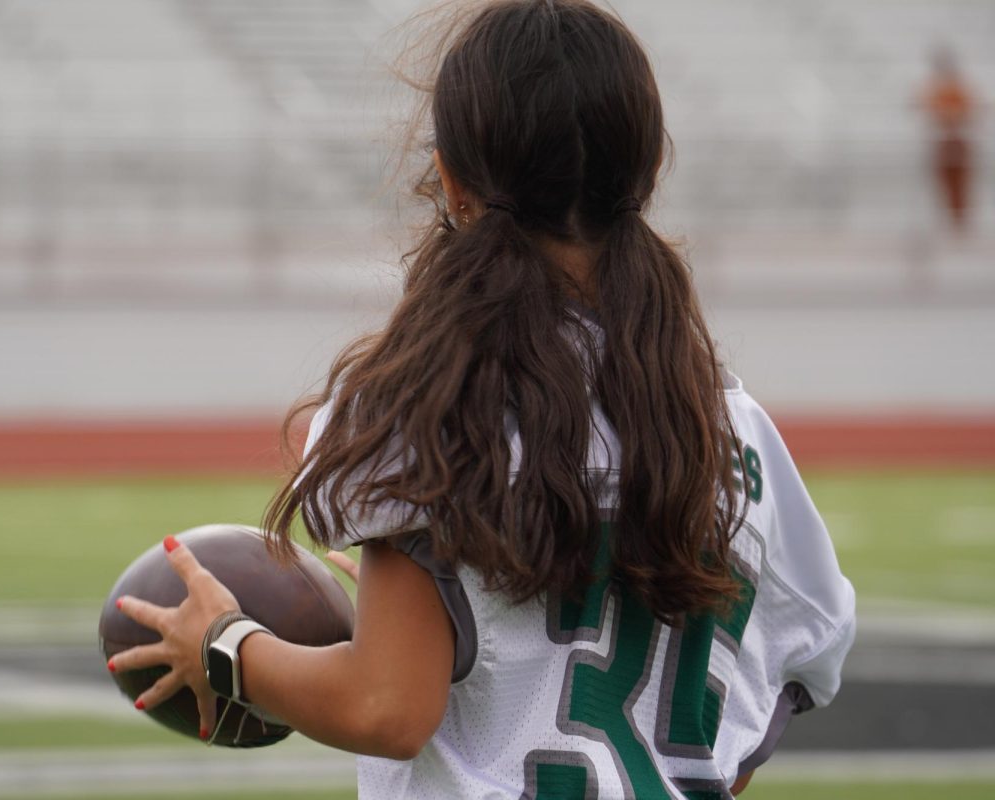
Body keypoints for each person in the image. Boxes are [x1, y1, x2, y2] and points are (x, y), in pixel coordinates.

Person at [108, 2, 855, 797]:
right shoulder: (727, 425)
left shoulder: (426, 404)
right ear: (644, 174)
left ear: (455, 184)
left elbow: (390, 710)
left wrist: (224, 645)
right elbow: (748, 717)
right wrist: (455, 621)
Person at [922, 47, 976, 231]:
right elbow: (929, 112)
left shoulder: (959, 89)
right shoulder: (934, 89)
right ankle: (949, 223)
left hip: (958, 143)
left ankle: (960, 223)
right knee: (944, 185)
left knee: (960, 185)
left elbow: (968, 112)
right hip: (943, 145)